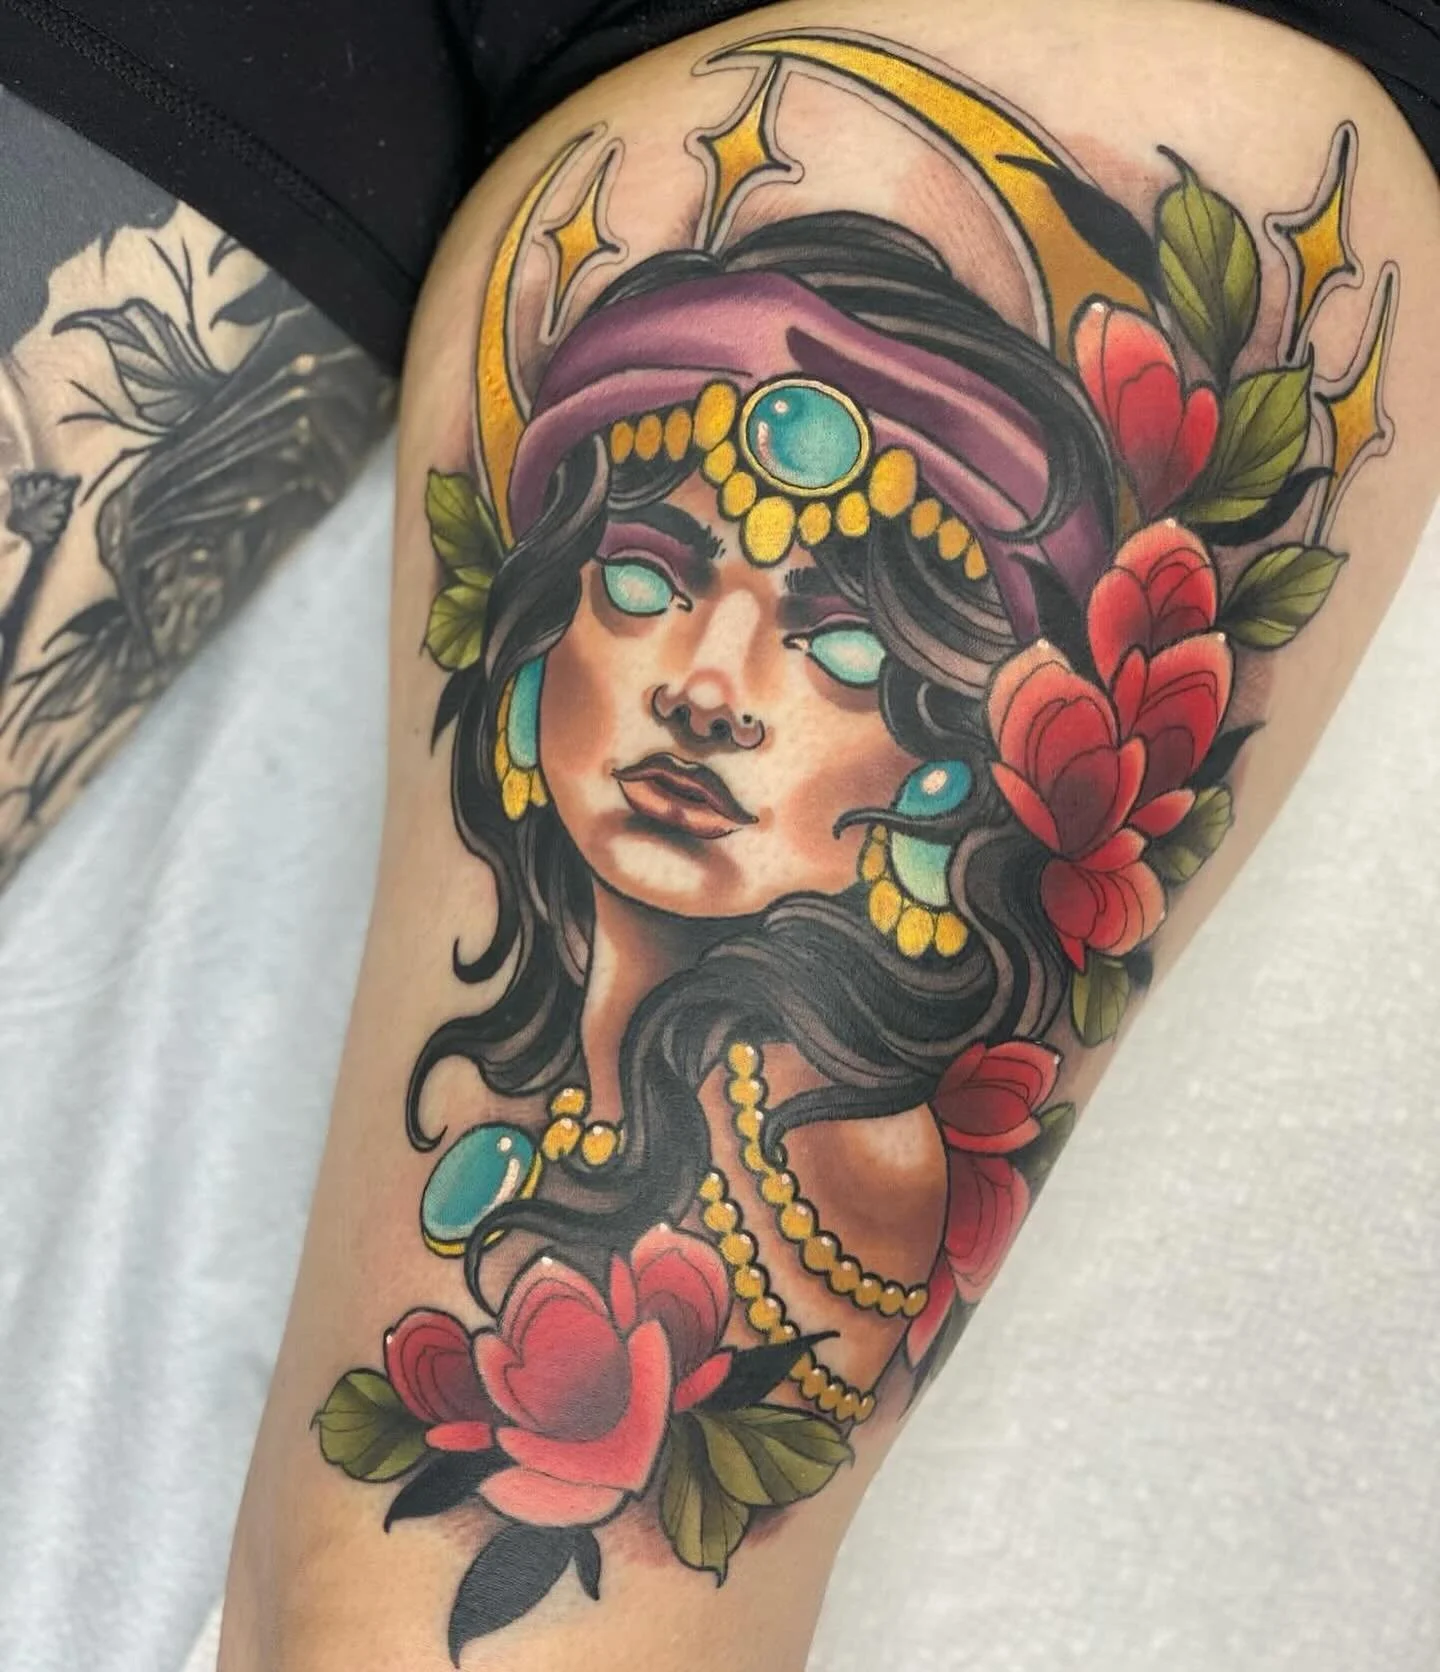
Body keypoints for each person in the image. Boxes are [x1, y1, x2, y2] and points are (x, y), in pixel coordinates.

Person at [0, 3, 1436, 1670]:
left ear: (951, 748)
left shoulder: (841, 1181)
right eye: (643, 576)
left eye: (842, 645)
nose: (707, 688)